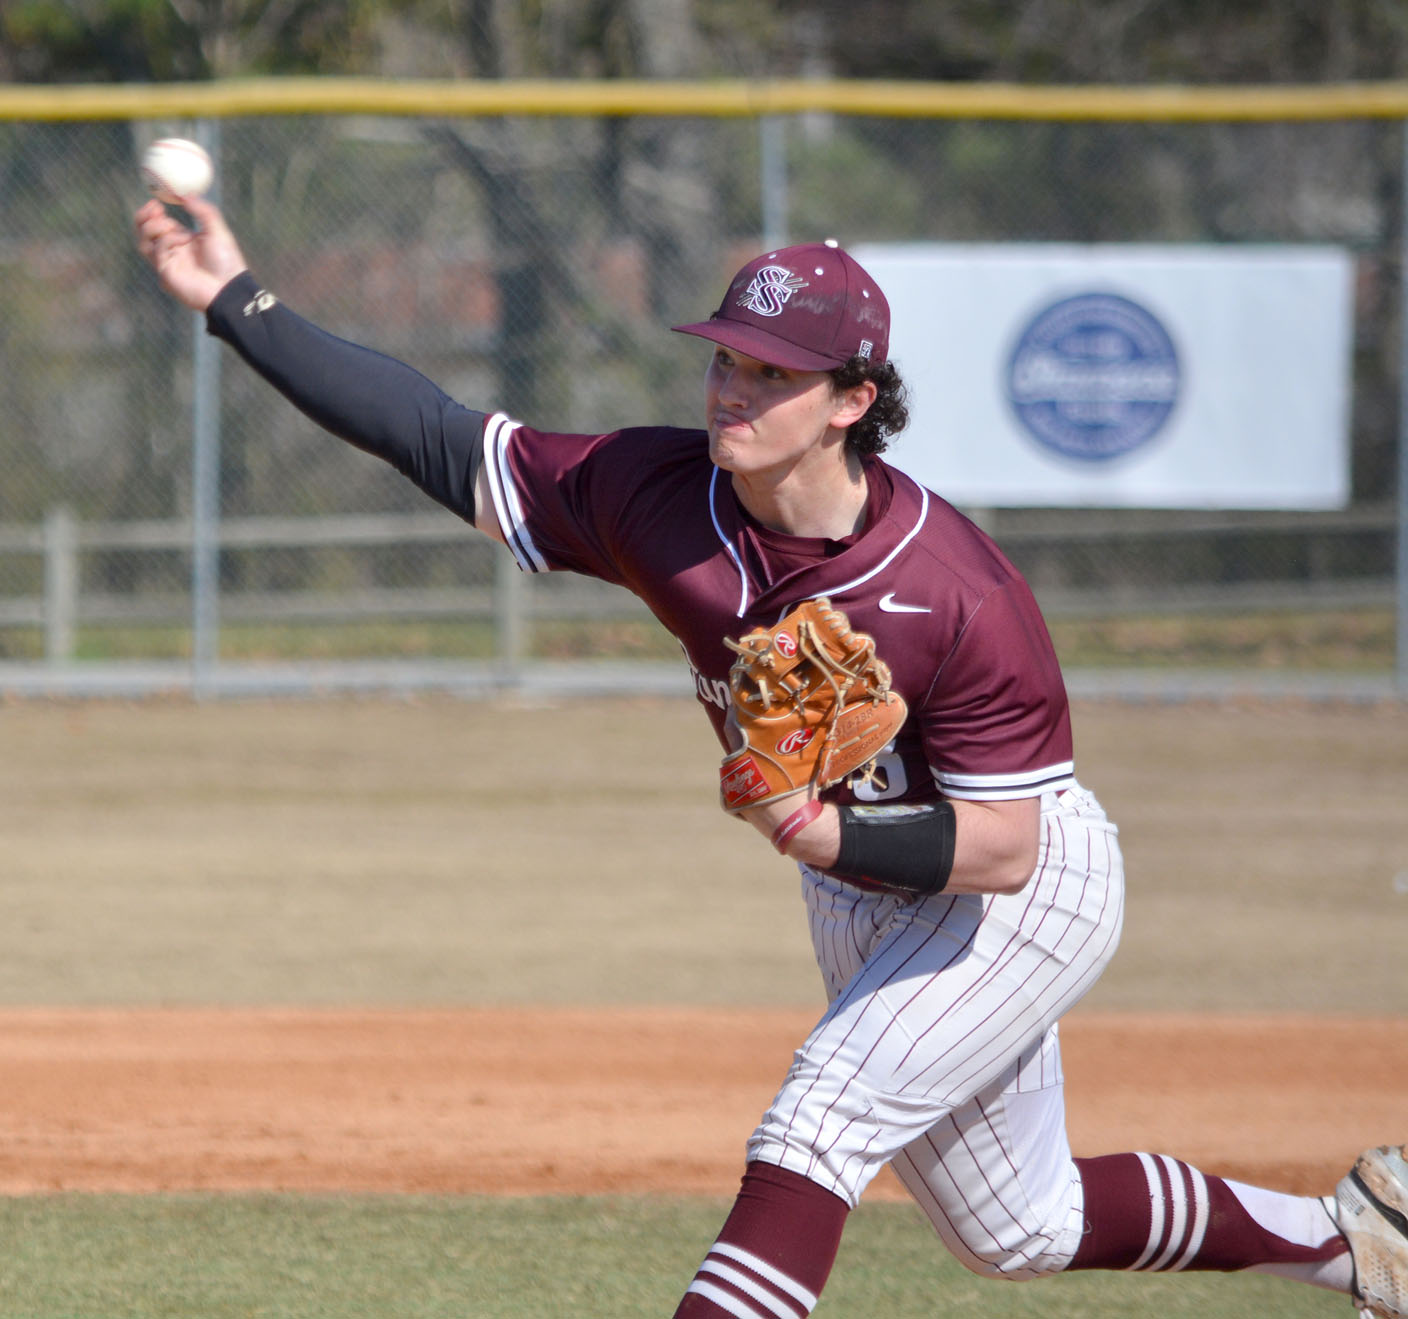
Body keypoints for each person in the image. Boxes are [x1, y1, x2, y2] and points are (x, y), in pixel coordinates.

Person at [135, 193, 1407, 1319]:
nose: (730, 390)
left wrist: (816, 829)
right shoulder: (652, 493)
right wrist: (237, 302)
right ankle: (1360, 1243)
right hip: (857, 894)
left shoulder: (955, 590)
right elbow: (438, 433)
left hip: (1016, 889)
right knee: (1018, 1229)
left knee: (817, 1121)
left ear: (853, 401)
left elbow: (1007, 845)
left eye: (770, 373)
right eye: (726, 358)